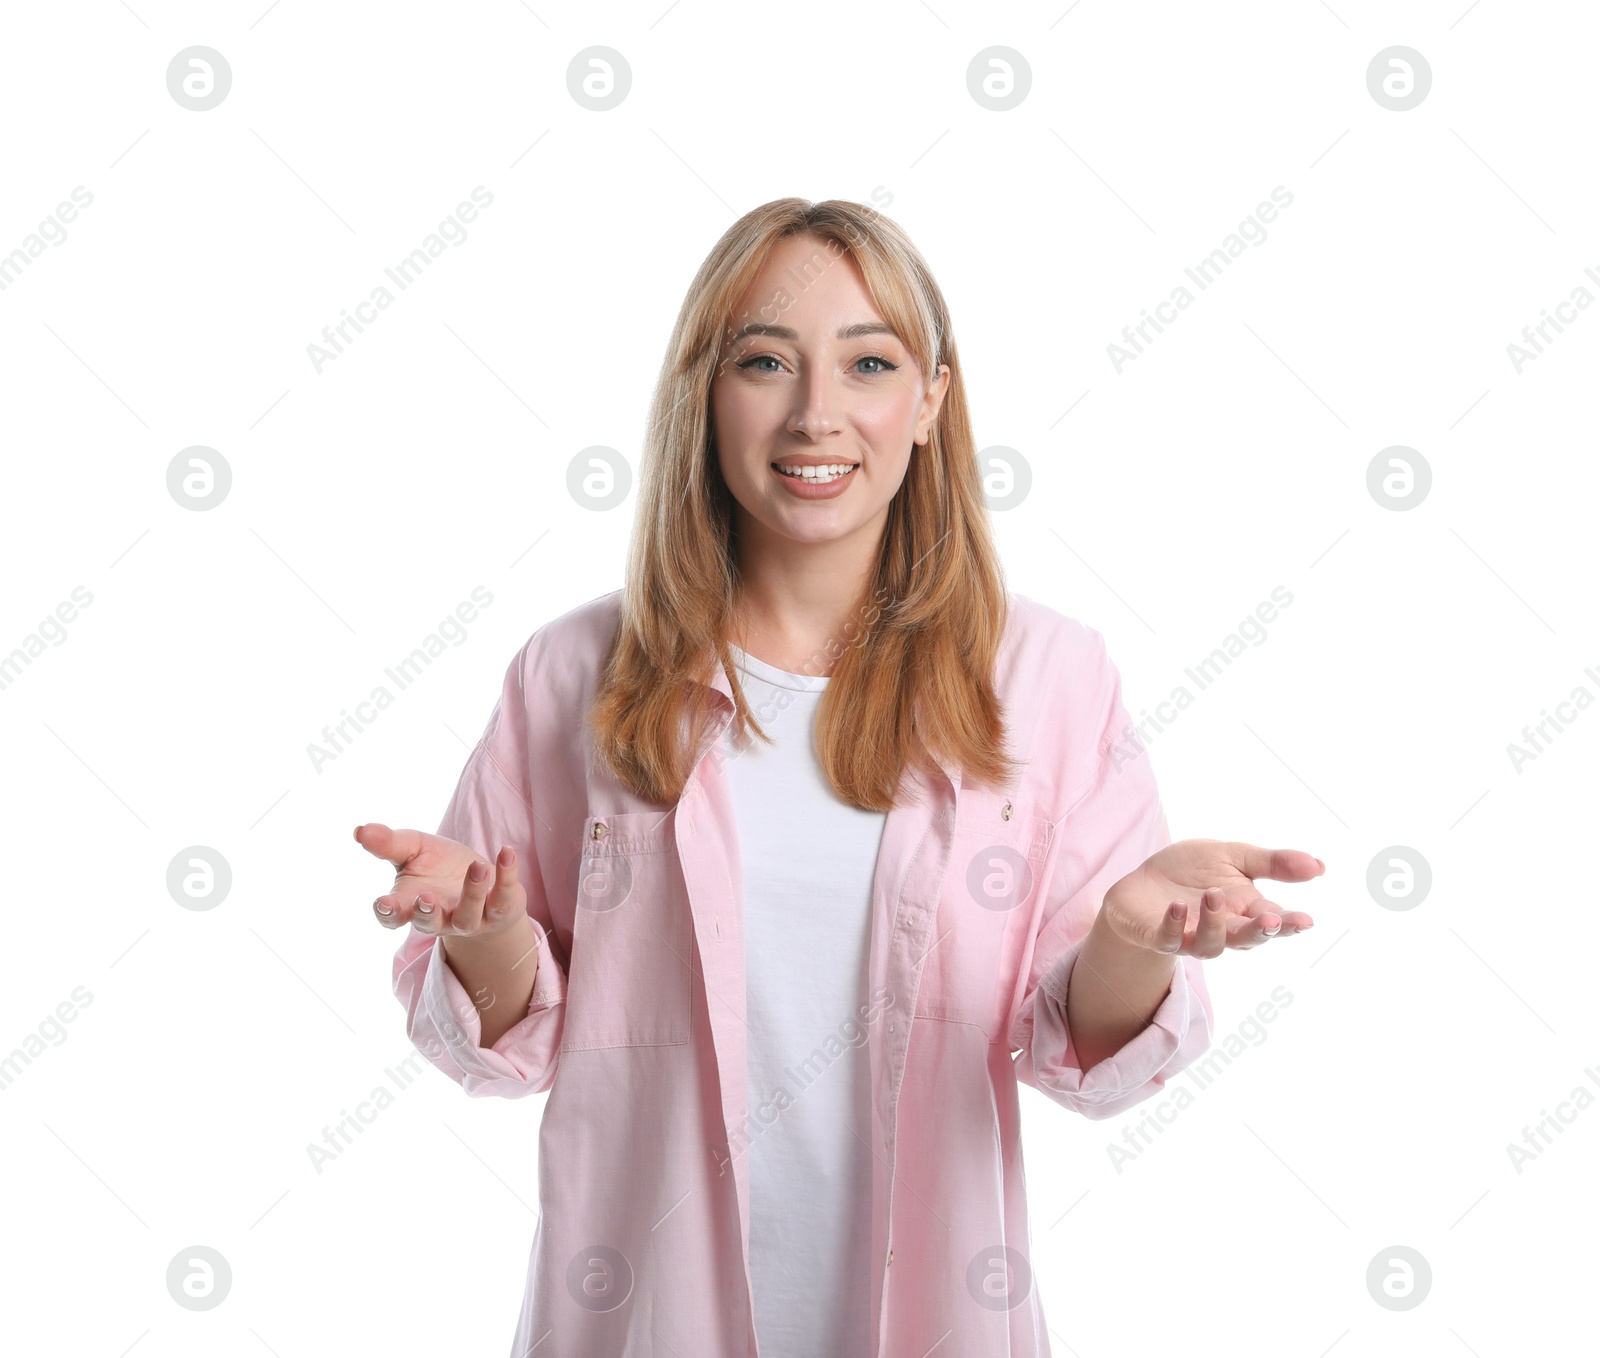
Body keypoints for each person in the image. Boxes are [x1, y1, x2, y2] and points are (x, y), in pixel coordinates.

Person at [355, 197, 1321, 1358]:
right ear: (703, 397)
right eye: (763, 360)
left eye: (868, 361)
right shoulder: (572, 674)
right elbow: (502, 1042)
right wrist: (484, 937)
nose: (816, 412)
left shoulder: (1048, 674)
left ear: (929, 405)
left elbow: (1083, 1056)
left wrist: (1130, 934)